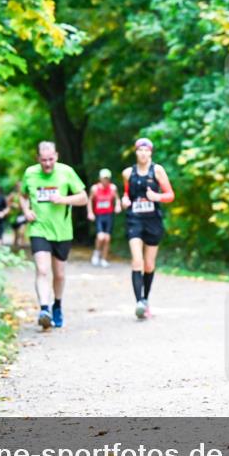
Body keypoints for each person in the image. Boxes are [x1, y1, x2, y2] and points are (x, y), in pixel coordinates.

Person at [19, 141, 89, 329]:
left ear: (56, 156)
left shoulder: (66, 172)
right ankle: (44, 309)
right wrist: (26, 211)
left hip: (62, 231)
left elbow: (83, 198)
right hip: (39, 229)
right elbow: (22, 195)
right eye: (44, 160)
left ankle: (57, 305)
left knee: (59, 274)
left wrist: (64, 199)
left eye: (51, 159)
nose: (48, 164)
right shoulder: (30, 173)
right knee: (42, 270)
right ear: (38, 159)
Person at [121, 137, 175, 320]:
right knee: (137, 261)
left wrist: (157, 197)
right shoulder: (128, 173)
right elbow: (126, 194)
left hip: (153, 221)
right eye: (140, 150)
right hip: (134, 220)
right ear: (135, 152)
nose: (143, 154)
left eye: (146, 150)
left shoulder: (157, 170)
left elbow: (170, 195)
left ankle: (145, 299)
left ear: (150, 152)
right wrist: (124, 200)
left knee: (149, 264)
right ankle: (139, 303)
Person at [87, 168, 122, 267]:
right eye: (103, 178)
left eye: (107, 178)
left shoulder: (113, 188)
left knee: (107, 238)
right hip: (99, 215)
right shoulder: (95, 188)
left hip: (109, 215)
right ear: (100, 178)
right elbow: (89, 200)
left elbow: (117, 199)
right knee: (100, 236)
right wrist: (90, 212)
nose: (105, 180)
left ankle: (104, 259)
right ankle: (97, 252)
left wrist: (118, 206)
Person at [8, 181, 28, 252]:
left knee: (21, 232)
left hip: (23, 216)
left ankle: (22, 247)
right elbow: (8, 204)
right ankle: (15, 249)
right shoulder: (13, 195)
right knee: (16, 235)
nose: (19, 188)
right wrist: (13, 205)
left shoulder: (26, 195)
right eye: (18, 186)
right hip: (14, 217)